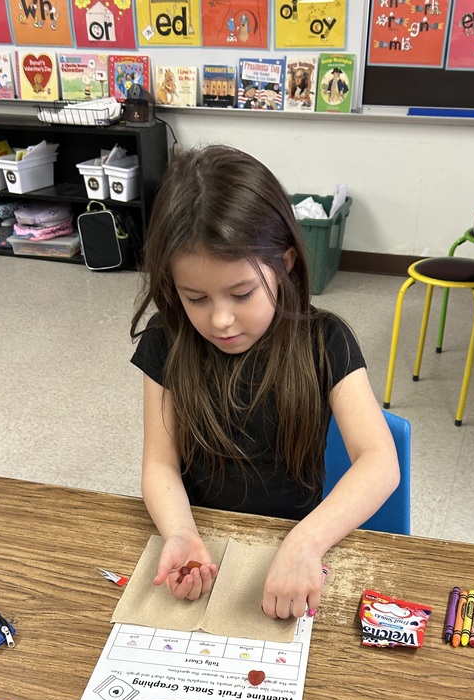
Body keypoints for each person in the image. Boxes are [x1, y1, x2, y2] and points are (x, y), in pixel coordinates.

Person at [130, 144, 399, 620]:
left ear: (286, 263)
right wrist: (179, 533)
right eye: (195, 298)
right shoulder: (166, 341)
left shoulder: (324, 341)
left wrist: (306, 543)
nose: (221, 320)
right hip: (203, 542)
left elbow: (379, 462)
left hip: (298, 548)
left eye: (242, 293)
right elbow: (159, 464)